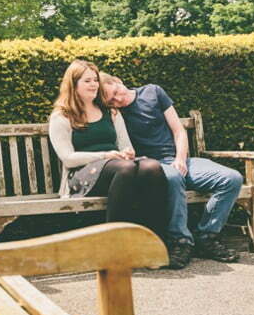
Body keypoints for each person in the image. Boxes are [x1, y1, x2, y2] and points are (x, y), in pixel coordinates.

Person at [100, 74, 242, 269]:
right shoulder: (114, 114)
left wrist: (180, 159)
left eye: (116, 92)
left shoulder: (153, 92)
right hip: (151, 167)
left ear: (118, 81)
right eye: (111, 100)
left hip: (179, 159)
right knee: (174, 177)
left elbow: (178, 131)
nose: (118, 99)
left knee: (232, 179)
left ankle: (206, 237)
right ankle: (181, 241)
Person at [48, 60, 168, 236]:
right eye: (87, 81)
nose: (94, 84)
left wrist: (128, 151)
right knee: (126, 169)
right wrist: (104, 155)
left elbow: (126, 144)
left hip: (117, 167)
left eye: (95, 80)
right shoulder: (62, 115)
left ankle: (154, 239)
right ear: (73, 85)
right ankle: (113, 241)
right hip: (81, 175)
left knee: (152, 167)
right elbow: (67, 158)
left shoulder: (110, 112)